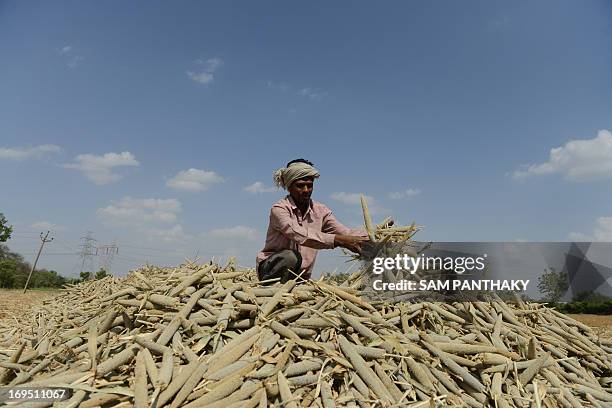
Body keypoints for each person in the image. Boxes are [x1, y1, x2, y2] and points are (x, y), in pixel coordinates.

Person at [256, 159, 369, 283]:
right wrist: (339, 240)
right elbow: (297, 233)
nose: (306, 190)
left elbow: (345, 233)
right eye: (300, 185)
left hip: (300, 278)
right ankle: (272, 286)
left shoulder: (320, 211)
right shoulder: (279, 209)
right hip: (271, 270)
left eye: (309, 185)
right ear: (289, 187)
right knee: (290, 257)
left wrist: (377, 235)